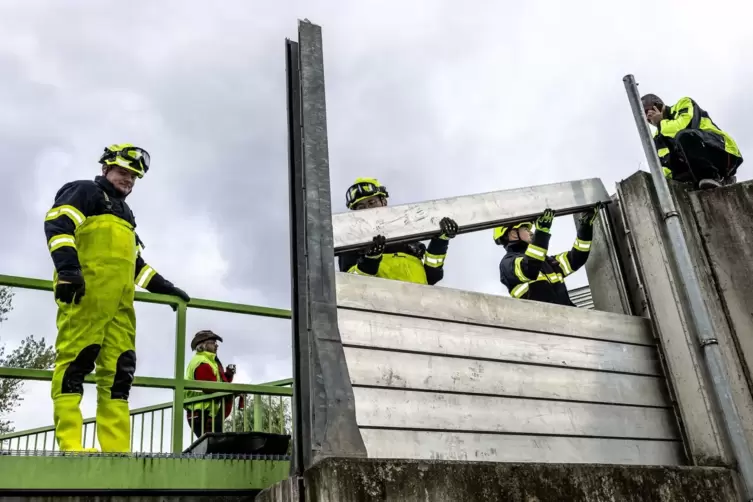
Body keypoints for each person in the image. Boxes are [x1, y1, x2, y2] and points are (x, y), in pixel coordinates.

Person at [44, 143, 190, 453]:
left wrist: (165, 287)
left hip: (122, 307)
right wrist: (69, 271)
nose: (128, 180)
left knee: (120, 374)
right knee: (74, 366)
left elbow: (134, 263)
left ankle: (116, 450)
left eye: (133, 177)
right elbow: (57, 226)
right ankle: (71, 446)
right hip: (86, 297)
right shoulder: (82, 192)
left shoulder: (126, 213)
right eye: (123, 172)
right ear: (105, 169)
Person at [337, 177, 459, 285]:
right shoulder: (352, 241)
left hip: (422, 306)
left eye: (372, 202)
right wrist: (370, 260)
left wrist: (440, 242)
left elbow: (432, 275)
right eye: (361, 207)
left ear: (383, 202)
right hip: (382, 307)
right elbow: (351, 283)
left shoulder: (405, 235)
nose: (368, 209)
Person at [494, 205, 600, 306]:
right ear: (513, 233)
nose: (531, 233)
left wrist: (585, 227)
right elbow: (529, 268)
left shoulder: (546, 262)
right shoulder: (507, 264)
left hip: (567, 319)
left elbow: (578, 257)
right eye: (526, 229)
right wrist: (541, 234)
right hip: (543, 323)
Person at [641, 93, 742, 189]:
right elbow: (665, 164)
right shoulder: (658, 137)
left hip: (721, 149)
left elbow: (682, 127)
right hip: (696, 167)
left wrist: (660, 122)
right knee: (674, 167)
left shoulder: (683, 104)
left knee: (684, 136)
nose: (648, 117)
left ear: (657, 105)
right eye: (644, 116)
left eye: (647, 111)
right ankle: (696, 183)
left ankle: (716, 177)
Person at [184, 330, 242, 439]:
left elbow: (216, 384)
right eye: (213, 342)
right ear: (203, 345)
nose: (216, 345)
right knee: (213, 446)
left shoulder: (209, 360)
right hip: (201, 413)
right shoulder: (202, 362)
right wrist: (232, 391)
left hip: (205, 412)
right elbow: (210, 387)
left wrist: (228, 375)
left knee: (213, 447)